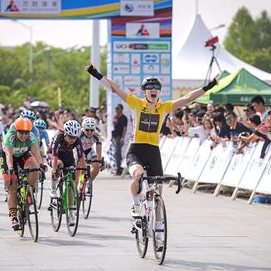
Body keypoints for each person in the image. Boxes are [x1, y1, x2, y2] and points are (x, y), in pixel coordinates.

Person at [85, 60, 218, 249]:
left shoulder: (163, 107)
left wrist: (210, 85)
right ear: (144, 91)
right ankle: (136, 206)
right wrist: (95, 73)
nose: (153, 90)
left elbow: (188, 97)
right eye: (149, 87)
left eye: (156, 88)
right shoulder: (136, 103)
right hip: (136, 150)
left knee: (158, 195)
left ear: (159, 92)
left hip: (153, 152)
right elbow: (115, 89)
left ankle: (159, 233)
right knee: (138, 175)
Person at [1, 117, 44, 230]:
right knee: (12, 187)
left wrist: (41, 165)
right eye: (21, 132)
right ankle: (14, 217)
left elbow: (36, 153)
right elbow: (9, 156)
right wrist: (10, 168)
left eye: (26, 132)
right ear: (16, 130)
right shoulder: (10, 137)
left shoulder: (31, 137)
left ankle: (30, 189)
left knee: (35, 167)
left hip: (23, 155)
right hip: (9, 158)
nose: (24, 135)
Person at [49, 120, 86, 225]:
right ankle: (53, 188)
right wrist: (54, 170)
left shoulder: (77, 141)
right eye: (70, 137)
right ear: (65, 134)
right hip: (54, 156)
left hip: (67, 156)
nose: (72, 140)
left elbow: (81, 158)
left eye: (74, 137)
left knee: (71, 183)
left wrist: (84, 172)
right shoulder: (58, 138)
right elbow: (54, 157)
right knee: (59, 165)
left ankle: (71, 212)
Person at [111, 104, 127, 175]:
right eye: (116, 108)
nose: (116, 110)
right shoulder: (115, 117)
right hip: (114, 137)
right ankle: (119, 167)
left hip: (119, 137)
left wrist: (123, 137)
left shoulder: (124, 118)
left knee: (117, 153)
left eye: (118, 108)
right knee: (116, 154)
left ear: (121, 109)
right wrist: (111, 137)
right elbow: (113, 127)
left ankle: (119, 169)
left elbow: (124, 128)